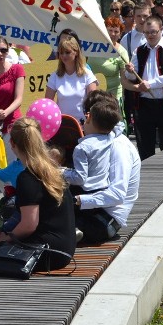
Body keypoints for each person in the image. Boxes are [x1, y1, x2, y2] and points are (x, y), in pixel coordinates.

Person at [0, 117, 75, 284]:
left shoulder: (28, 177)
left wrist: (5, 237)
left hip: (50, 251)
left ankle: (1, 304)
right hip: (64, 246)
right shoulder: (50, 169)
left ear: (12, 143)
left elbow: (29, 225)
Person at [68, 91, 141, 243]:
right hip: (99, 212)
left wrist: (78, 200)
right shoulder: (105, 140)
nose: (83, 120)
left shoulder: (118, 146)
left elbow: (117, 194)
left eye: (86, 116)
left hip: (105, 221)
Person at [62, 92, 120, 243]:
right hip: (101, 190)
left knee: (63, 199)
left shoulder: (82, 148)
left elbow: (80, 178)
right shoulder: (110, 138)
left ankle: (73, 229)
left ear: (89, 119)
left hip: (84, 191)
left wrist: (62, 172)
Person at [122, 16, 163, 160]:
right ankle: (146, 172)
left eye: (153, 32)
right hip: (144, 104)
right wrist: (129, 71)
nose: (150, 35)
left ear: (161, 30)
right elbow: (131, 76)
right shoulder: (139, 50)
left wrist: (150, 84)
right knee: (144, 143)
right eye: (147, 32)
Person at [44, 32, 98, 124]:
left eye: (67, 52)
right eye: (61, 53)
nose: (64, 56)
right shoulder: (55, 76)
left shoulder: (87, 74)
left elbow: (93, 102)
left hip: (84, 125)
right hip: (62, 124)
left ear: (76, 52)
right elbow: (48, 103)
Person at [88, 17, 130, 105]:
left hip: (112, 97)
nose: (112, 34)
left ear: (120, 34)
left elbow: (124, 79)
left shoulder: (122, 52)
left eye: (116, 31)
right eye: (110, 30)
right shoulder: (91, 47)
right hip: (92, 94)